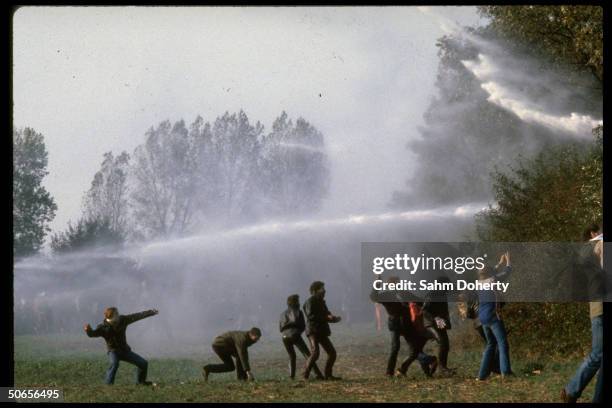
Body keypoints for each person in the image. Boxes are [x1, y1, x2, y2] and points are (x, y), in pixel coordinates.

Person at [562, 224, 604, 403]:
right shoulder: (596, 247)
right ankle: (571, 391)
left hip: (598, 305)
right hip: (600, 307)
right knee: (598, 354)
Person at [370, 277, 438, 378]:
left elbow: (420, 301)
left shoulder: (404, 293)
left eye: (398, 284)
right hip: (395, 324)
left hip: (407, 324)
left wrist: (429, 300)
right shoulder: (387, 295)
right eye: (395, 284)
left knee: (414, 348)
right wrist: (377, 282)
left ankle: (418, 365)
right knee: (395, 347)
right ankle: (389, 372)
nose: (397, 286)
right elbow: (373, 297)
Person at [84, 307, 158, 385]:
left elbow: (136, 316)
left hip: (124, 350)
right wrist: (88, 330)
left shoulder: (123, 320)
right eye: (116, 314)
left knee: (143, 363)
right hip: (113, 351)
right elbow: (93, 334)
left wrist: (150, 312)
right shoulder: (102, 327)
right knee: (114, 364)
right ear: (111, 316)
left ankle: (141, 383)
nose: (118, 315)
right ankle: (108, 385)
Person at [476, 252, 513, 381]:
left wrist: (499, 262)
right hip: (492, 316)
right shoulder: (493, 280)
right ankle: (506, 373)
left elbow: (492, 272)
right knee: (503, 343)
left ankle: (481, 375)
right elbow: (506, 273)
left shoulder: (479, 282)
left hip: (482, 318)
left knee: (490, 344)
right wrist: (508, 261)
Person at [303, 281, 342, 380]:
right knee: (315, 353)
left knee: (332, 353)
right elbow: (311, 316)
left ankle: (328, 375)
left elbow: (326, 314)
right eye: (321, 288)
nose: (324, 290)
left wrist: (333, 318)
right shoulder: (310, 301)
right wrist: (326, 317)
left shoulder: (321, 301)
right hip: (313, 330)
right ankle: (305, 375)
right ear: (315, 291)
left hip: (321, 331)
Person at [279, 294, 324, 380]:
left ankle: (291, 376)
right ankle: (318, 374)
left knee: (291, 356)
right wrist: (298, 332)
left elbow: (280, 328)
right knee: (308, 355)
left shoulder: (282, 314)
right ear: (295, 302)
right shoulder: (299, 312)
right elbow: (303, 326)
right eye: (298, 301)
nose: (299, 303)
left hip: (284, 337)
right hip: (295, 335)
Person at [421, 276, 454, 375]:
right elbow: (425, 310)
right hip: (430, 323)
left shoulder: (441, 294)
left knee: (445, 344)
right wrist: (435, 319)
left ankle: (441, 366)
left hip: (438, 322)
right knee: (442, 343)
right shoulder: (433, 294)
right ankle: (441, 368)